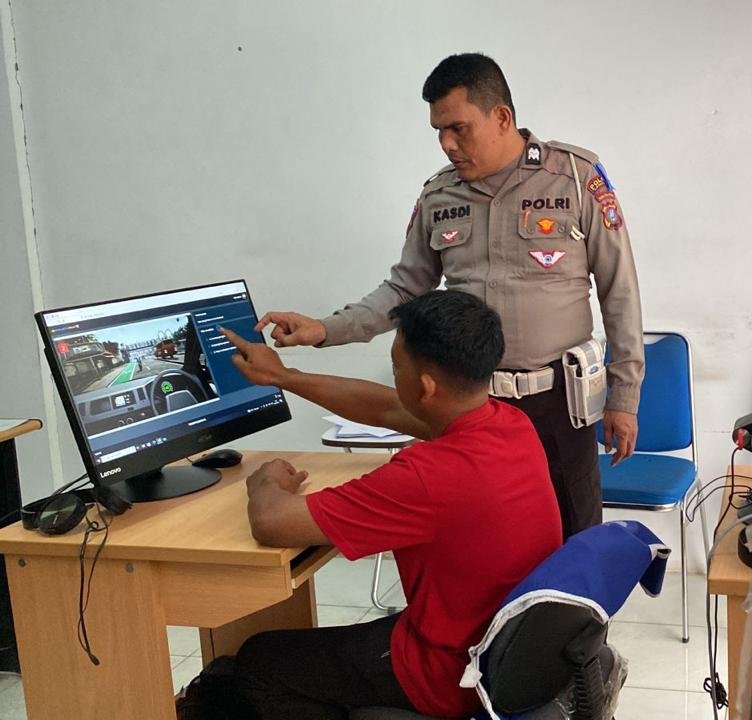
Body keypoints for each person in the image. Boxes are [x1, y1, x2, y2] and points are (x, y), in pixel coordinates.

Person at [254, 52, 644, 540]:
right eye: (439, 131)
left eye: (459, 128)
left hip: (558, 405)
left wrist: (624, 396)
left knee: (573, 539)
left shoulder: (576, 179)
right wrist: (324, 329)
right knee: (481, 539)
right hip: (470, 405)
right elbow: (404, 289)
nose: (447, 144)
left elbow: (619, 291)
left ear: (501, 117)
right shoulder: (439, 196)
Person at [199, 290, 562, 719]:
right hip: (502, 654)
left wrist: (267, 479)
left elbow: (271, 520)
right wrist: (284, 377)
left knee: (260, 662)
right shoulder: (510, 424)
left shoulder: (426, 476)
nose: (393, 378)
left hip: (449, 675)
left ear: (426, 387)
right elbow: (387, 408)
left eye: (396, 367)